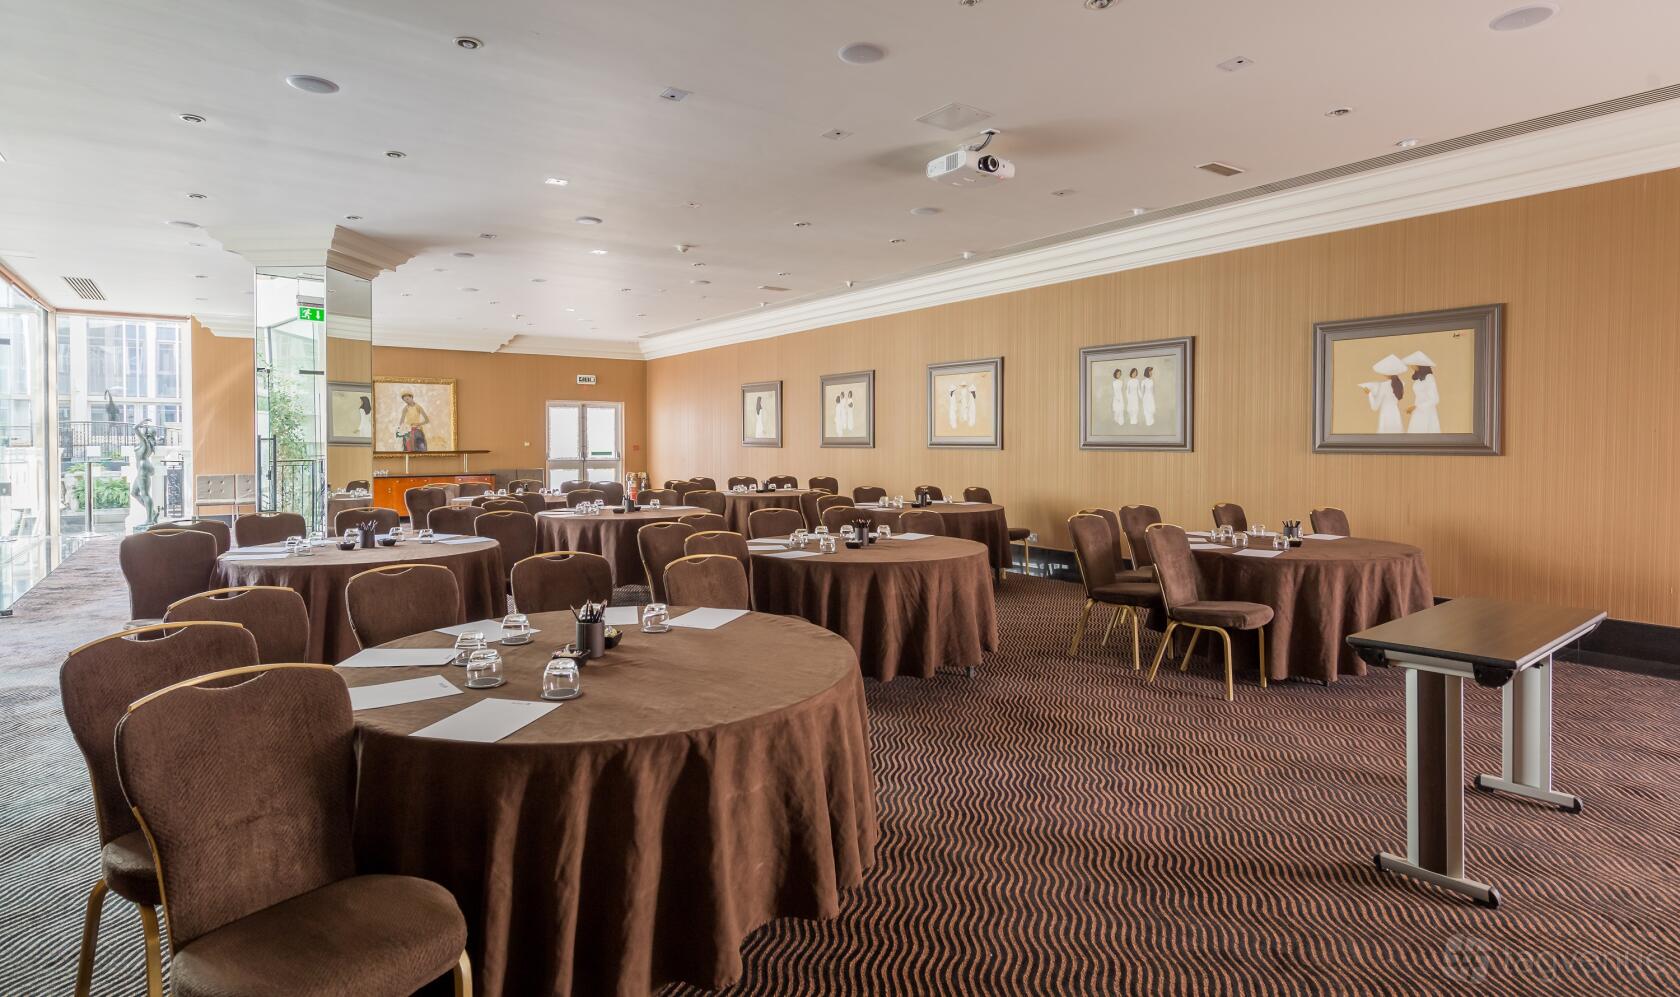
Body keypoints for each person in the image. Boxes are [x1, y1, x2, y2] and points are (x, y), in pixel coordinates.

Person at [1366, 354, 1408, 433]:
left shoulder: (1384, 385)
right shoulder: (1401, 383)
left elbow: (1375, 406)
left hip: (1386, 415)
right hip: (1395, 414)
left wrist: (1370, 394)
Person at [1402, 350, 1441, 433]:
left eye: (1413, 364)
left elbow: (1435, 399)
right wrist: (1415, 407)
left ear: (1419, 365)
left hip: (1427, 412)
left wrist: (1416, 406)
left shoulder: (1429, 378)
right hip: (1418, 411)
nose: (1411, 366)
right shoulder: (1418, 379)